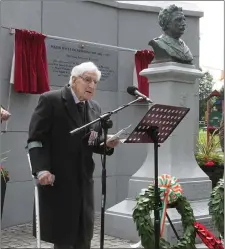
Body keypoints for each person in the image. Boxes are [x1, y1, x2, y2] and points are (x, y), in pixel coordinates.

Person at [27, 61, 120, 249]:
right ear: (74, 80)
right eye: (87, 80)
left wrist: (106, 143)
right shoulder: (51, 100)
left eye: (95, 82)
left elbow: (91, 142)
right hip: (58, 180)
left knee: (83, 238)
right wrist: (41, 169)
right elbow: (36, 139)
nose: (92, 85)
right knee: (63, 237)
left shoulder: (95, 108)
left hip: (84, 181)